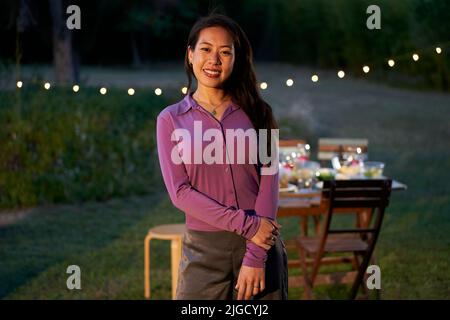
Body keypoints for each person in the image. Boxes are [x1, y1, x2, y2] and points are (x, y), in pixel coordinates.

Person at [156, 13, 288, 300]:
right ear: (190, 55)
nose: (214, 60)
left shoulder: (261, 114)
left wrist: (255, 255)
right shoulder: (170, 120)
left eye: (225, 52)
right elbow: (180, 192)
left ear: (236, 59)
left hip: (261, 250)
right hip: (204, 251)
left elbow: (270, 179)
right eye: (206, 49)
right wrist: (250, 226)